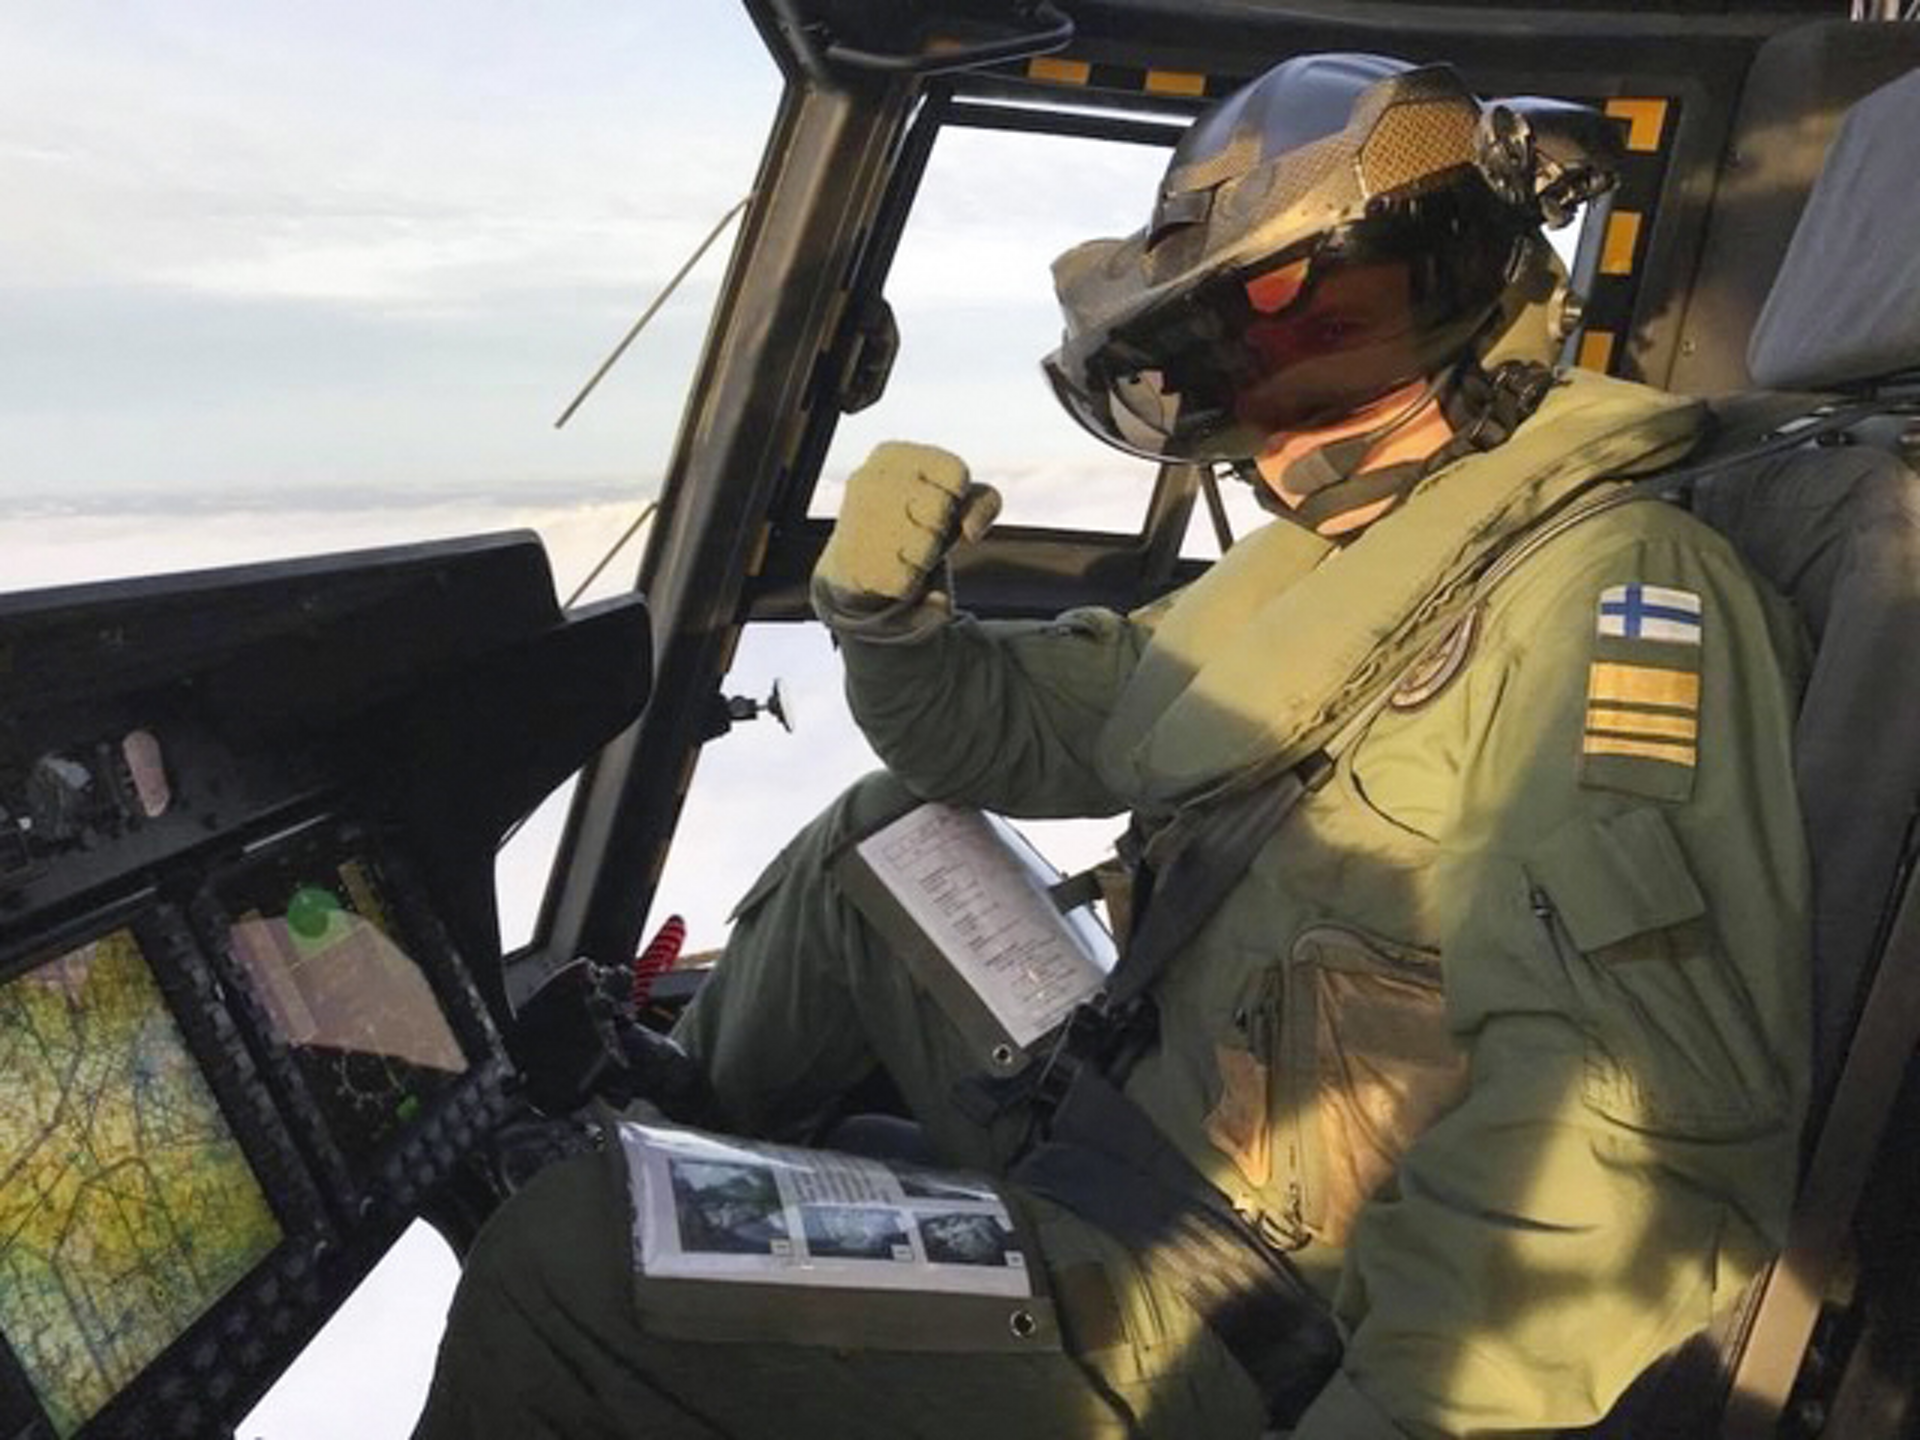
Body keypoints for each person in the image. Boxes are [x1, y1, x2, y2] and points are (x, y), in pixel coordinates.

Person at [415, 53, 1810, 1439]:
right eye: (1241, 358)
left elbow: (1637, 1145)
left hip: (1240, 1304)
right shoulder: (1364, 561)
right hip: (1135, 1114)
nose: (1287, 404)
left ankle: (627, 1244)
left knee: (564, 1266)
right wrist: (894, 628)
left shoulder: (1616, 604)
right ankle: (671, 1126)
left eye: (1339, 323)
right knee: (882, 837)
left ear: (1483, 281)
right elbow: (1017, 730)